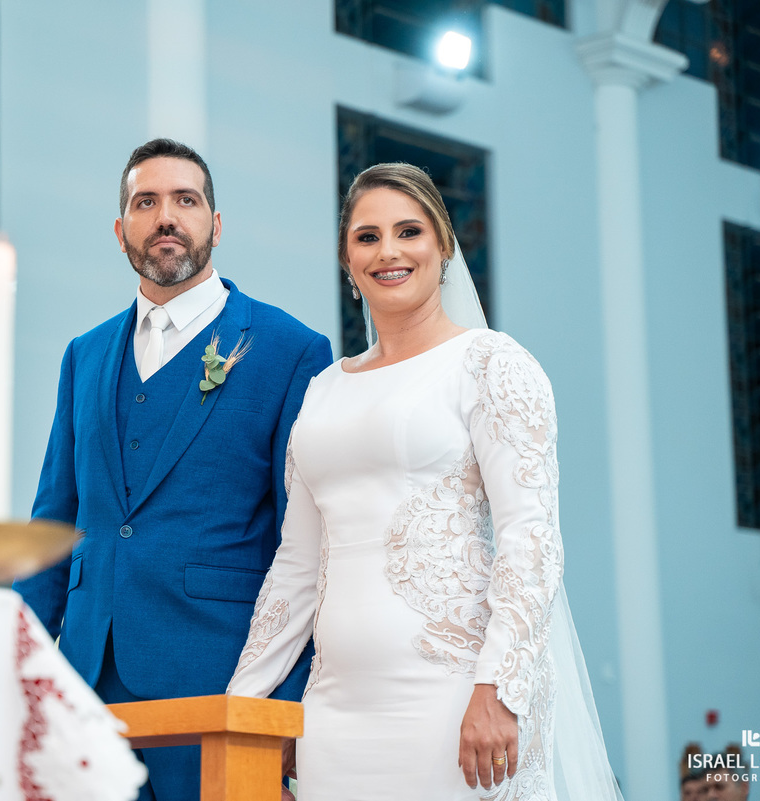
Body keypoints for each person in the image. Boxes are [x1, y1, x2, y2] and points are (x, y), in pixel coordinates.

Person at [227, 162, 622, 800]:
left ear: (443, 246)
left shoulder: (490, 364)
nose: (388, 251)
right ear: (346, 260)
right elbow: (297, 565)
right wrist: (245, 706)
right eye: (367, 237)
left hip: (455, 700)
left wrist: (498, 688)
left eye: (408, 231)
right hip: (333, 716)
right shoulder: (324, 390)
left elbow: (531, 539)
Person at [13, 138, 333, 801]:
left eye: (186, 199)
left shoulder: (289, 350)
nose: (165, 216)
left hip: (220, 685)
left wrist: (290, 705)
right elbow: (54, 523)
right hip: (87, 691)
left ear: (216, 224)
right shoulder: (86, 355)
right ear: (120, 228)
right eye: (145, 201)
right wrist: (16, 673)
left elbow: (306, 545)